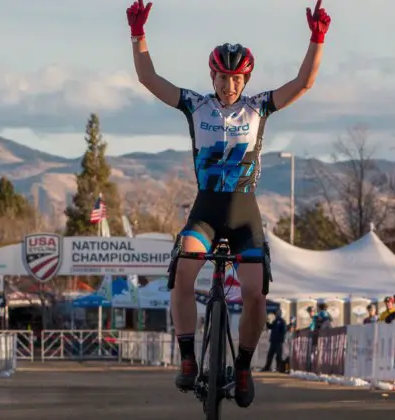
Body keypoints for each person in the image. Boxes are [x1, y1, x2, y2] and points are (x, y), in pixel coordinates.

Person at [126, 0, 332, 407]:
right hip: (205, 211)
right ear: (213, 75)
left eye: (236, 78)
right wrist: (138, 35)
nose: (229, 85)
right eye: (222, 77)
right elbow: (149, 78)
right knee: (183, 276)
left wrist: (317, 39)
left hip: (243, 214)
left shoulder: (259, 108)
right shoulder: (195, 105)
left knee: (255, 294)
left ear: (246, 78)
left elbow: (303, 83)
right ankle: (187, 359)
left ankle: (241, 365)